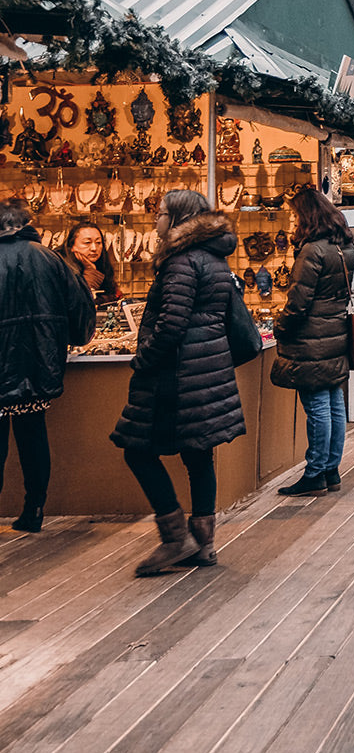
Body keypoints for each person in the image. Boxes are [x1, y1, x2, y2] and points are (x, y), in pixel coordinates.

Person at [112, 191, 246, 575]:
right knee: (198, 453)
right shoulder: (214, 258)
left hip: (176, 374)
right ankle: (203, 544)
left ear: (177, 219)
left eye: (160, 215)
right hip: (206, 371)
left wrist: (144, 359)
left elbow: (172, 323)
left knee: (136, 450)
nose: (156, 222)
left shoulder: (181, 262)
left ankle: (175, 539)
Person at [0, 199, 95, 533]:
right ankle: (34, 509)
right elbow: (80, 312)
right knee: (33, 434)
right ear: (26, 224)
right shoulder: (50, 258)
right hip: (39, 363)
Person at [272, 187, 354, 496]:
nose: (293, 222)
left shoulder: (312, 251)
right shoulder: (343, 247)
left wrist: (280, 326)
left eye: (295, 215)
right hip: (334, 332)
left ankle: (316, 472)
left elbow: (298, 302)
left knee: (318, 406)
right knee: (333, 402)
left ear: (306, 216)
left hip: (311, 338)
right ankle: (331, 469)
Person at [61, 220, 122, 304]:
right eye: (87, 242)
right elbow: (75, 302)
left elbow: (113, 295)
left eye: (98, 243)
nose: (94, 248)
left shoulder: (102, 265)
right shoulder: (61, 268)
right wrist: (90, 274)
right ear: (72, 246)